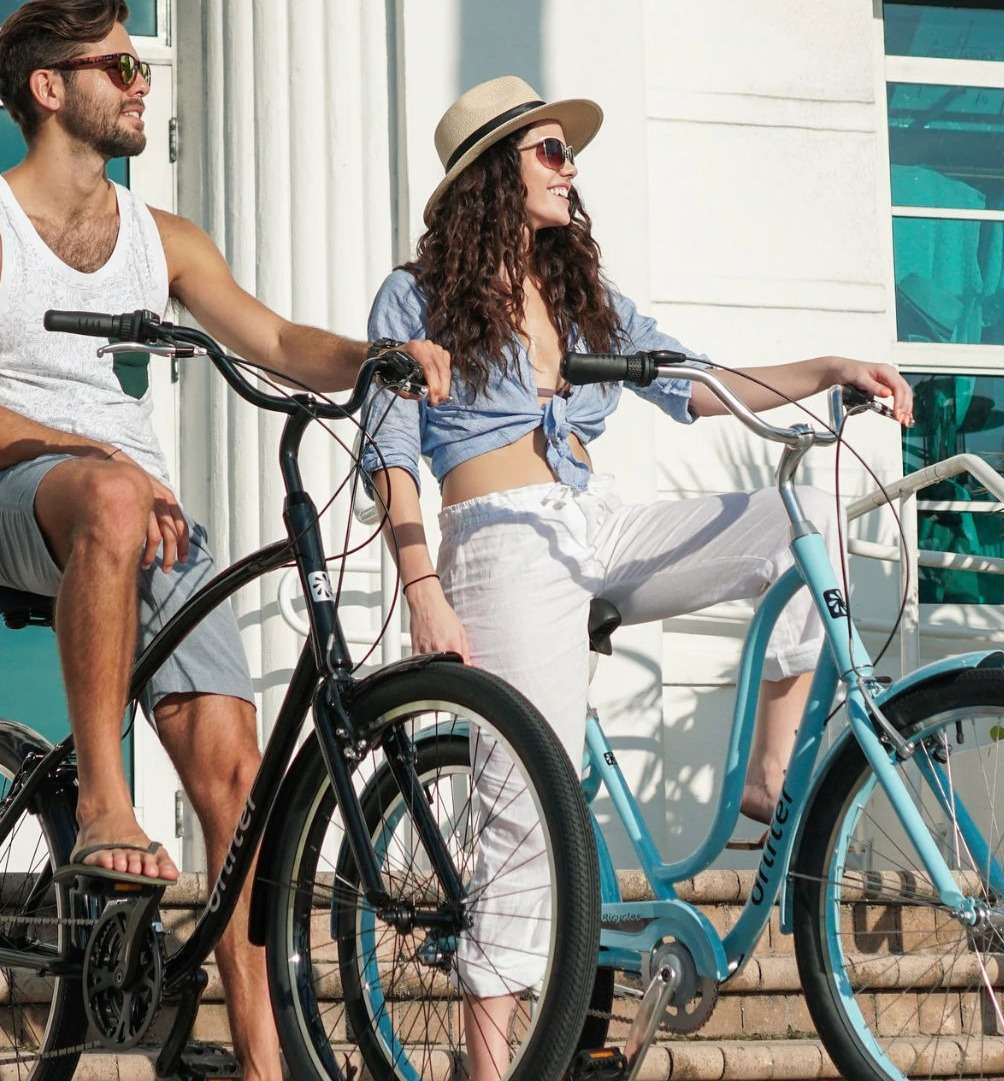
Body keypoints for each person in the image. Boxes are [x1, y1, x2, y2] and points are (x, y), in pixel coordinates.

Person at [0, 3, 449, 1077]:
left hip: (142, 514)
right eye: (115, 64)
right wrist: (91, 454)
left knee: (235, 790)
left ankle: (263, 1061)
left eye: (137, 60)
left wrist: (376, 352)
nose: (138, 78)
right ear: (48, 89)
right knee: (114, 498)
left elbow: (279, 340)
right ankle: (106, 801)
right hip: (15, 493)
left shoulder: (161, 239)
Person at [359, 75, 914, 1078]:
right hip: (494, 535)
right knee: (525, 817)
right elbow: (390, 449)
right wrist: (419, 585)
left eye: (568, 153)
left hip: (588, 524)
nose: (569, 169)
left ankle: (767, 771)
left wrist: (829, 364)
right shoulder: (415, 295)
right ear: (494, 171)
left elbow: (698, 385)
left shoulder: (582, 302)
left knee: (801, 519)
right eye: (548, 151)